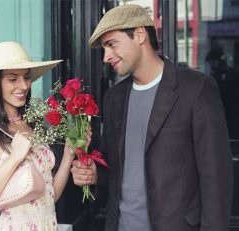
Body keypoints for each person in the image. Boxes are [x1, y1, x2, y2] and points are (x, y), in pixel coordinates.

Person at [71, 4, 233, 231]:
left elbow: (216, 179)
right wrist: (95, 175)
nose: (106, 56)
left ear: (139, 34)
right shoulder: (113, 98)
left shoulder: (197, 89)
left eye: (111, 44)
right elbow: (116, 171)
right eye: (104, 49)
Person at [0, 41, 74, 230]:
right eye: (13, 79)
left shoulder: (31, 124)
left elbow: (49, 194)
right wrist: (14, 158)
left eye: (27, 77)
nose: (24, 85)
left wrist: (69, 154)